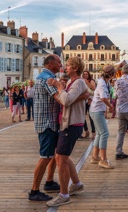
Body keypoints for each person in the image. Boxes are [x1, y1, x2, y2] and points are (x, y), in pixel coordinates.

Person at [45, 56, 88, 207]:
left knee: (61, 159)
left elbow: (67, 100)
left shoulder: (78, 82)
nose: (65, 67)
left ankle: (64, 195)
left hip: (72, 124)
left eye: (68, 65)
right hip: (68, 124)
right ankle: (76, 184)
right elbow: (71, 98)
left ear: (75, 68)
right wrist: (63, 89)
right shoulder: (72, 82)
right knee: (61, 155)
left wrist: (58, 87)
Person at [28, 54, 61, 201]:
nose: (61, 65)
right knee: (45, 157)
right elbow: (60, 98)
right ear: (51, 63)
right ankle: (34, 191)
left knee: (52, 154)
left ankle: (49, 182)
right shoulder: (48, 79)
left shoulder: (43, 76)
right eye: (59, 62)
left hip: (48, 122)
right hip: (47, 123)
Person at [89, 65, 116, 169]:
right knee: (104, 133)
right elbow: (104, 98)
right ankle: (103, 160)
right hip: (96, 111)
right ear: (112, 74)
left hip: (96, 110)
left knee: (100, 134)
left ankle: (95, 157)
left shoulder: (105, 81)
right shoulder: (102, 83)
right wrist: (111, 107)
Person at [81, 70, 96, 140]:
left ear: (89, 75)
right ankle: (86, 131)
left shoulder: (91, 80)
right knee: (82, 117)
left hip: (90, 100)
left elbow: (94, 88)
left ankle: (93, 132)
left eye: (86, 74)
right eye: (84, 74)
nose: (85, 75)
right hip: (83, 101)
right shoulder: (81, 81)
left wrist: (87, 82)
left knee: (91, 117)